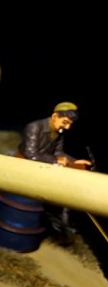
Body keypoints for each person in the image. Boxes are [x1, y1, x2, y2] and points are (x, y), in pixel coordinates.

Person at [18, 102, 92, 243]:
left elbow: (58, 152)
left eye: (70, 124)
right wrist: (55, 161)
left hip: (44, 164)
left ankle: (64, 226)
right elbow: (30, 154)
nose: (67, 127)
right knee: (52, 197)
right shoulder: (34, 127)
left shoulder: (58, 132)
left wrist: (74, 161)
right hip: (27, 165)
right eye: (65, 122)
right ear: (54, 117)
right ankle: (59, 228)